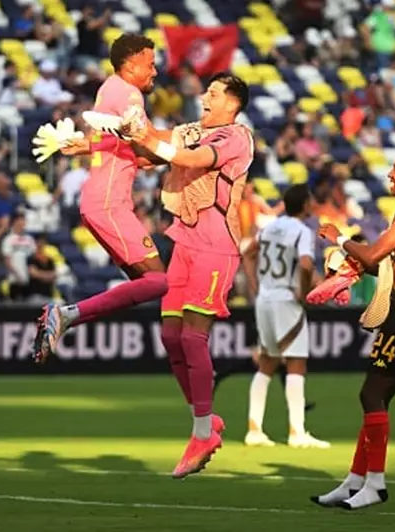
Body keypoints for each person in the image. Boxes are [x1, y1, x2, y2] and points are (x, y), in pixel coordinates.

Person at [130, 73, 253, 479]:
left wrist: (146, 137)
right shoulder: (192, 130)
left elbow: (191, 159)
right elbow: (154, 143)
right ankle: (206, 420)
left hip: (216, 245)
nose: (204, 97)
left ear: (232, 103)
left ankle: (201, 433)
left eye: (214, 93)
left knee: (192, 337)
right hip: (184, 241)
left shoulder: (237, 137)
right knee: (170, 337)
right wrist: (88, 143)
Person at [310, 150, 395, 510]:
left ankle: (375, 484)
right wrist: (350, 267)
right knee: (376, 400)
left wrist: (340, 239)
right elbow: (385, 266)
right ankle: (355, 481)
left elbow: (373, 256)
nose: (390, 174)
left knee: (371, 396)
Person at [34, 34, 167, 361]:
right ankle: (66, 314)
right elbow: (147, 143)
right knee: (160, 281)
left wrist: (84, 145)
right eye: (150, 64)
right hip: (109, 204)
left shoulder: (110, 89)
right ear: (131, 65)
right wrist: (192, 145)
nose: (155, 71)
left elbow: (128, 147)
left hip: (102, 202)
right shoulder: (130, 93)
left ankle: (67, 318)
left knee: (151, 286)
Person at [241, 184, 329, 449]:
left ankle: (254, 429)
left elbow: (248, 253)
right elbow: (306, 263)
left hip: (265, 299)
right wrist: (303, 291)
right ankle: (297, 432)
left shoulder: (270, 227)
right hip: (286, 300)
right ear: (305, 205)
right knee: (296, 364)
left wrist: (255, 285)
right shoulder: (302, 231)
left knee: (267, 363)